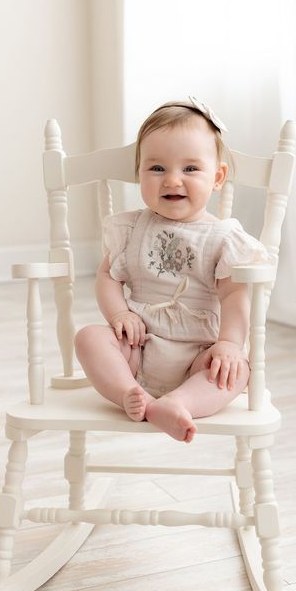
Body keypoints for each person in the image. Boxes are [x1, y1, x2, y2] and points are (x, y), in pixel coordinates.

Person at [74, 96, 272, 444]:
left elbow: (234, 294)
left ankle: (178, 402)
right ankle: (129, 394)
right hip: (138, 348)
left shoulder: (222, 237)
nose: (172, 180)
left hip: (198, 354)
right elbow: (107, 276)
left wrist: (228, 343)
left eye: (190, 169)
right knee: (89, 337)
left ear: (218, 177)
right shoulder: (131, 229)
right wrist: (119, 312)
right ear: (140, 175)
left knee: (236, 371)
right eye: (157, 168)